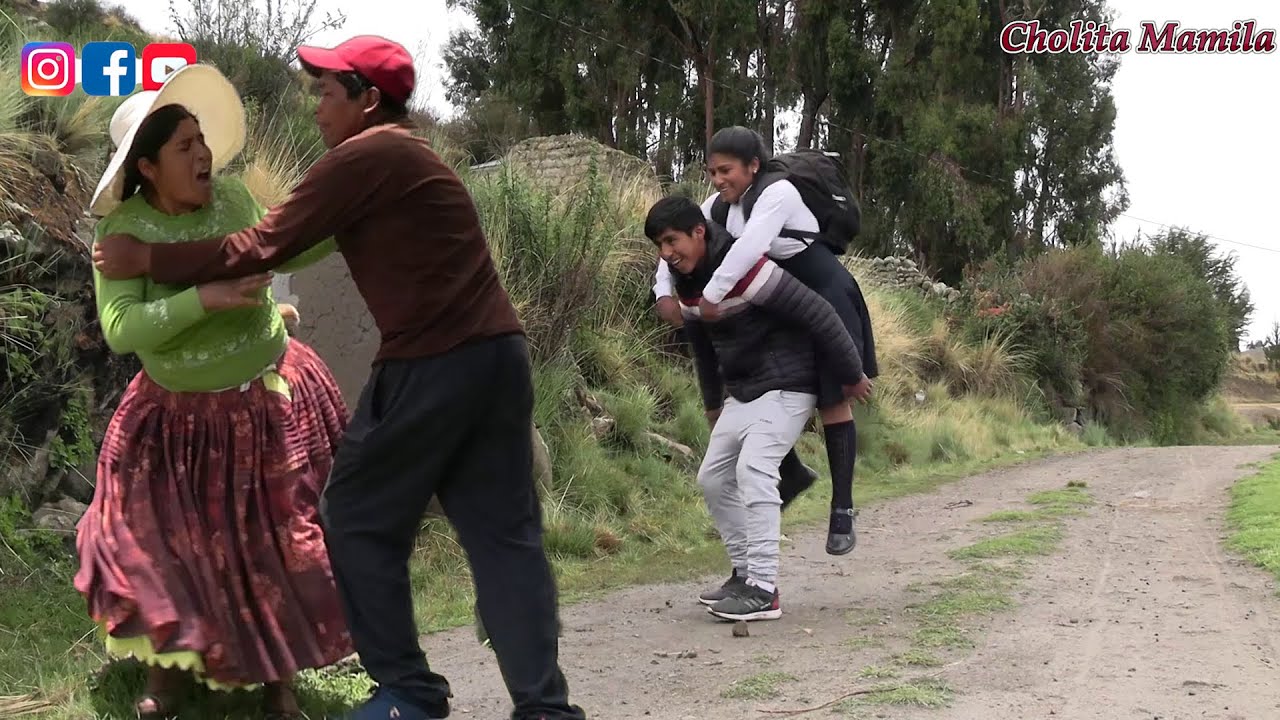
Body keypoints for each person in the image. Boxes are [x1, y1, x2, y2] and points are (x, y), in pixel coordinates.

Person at [91, 35, 586, 720]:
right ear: (144, 167)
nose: (315, 107)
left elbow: (269, 242)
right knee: (504, 536)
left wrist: (145, 258)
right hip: (495, 356)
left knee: (352, 517)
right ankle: (545, 707)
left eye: (327, 93)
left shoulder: (366, 155)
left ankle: (406, 693)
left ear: (368, 100)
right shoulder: (408, 157)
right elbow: (291, 240)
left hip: (430, 362)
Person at [73, 65, 351, 719]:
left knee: (277, 543)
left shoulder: (232, 202)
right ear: (146, 167)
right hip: (172, 422)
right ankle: (167, 675)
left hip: (261, 403)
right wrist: (205, 299)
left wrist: (354, 212)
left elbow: (276, 249)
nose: (203, 156)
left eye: (202, 140)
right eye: (184, 147)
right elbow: (121, 331)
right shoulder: (121, 238)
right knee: (156, 546)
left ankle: (278, 682)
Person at [652, 127, 879, 557]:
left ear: (753, 166)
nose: (718, 180)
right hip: (777, 296)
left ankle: (843, 508)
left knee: (833, 398)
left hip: (824, 290)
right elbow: (678, 231)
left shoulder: (779, 193)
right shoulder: (719, 207)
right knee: (775, 384)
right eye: (712, 172)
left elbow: (749, 250)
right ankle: (792, 473)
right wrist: (664, 291)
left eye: (727, 170)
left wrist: (712, 295)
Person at [645, 195, 871, 621]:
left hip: (788, 384)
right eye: (659, 245)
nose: (666, 253)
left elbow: (819, 312)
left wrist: (851, 372)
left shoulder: (745, 266)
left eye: (672, 240)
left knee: (754, 471)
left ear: (698, 232)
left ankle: (765, 590)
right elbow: (701, 347)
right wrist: (713, 405)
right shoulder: (689, 281)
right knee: (712, 478)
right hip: (744, 390)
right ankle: (746, 575)